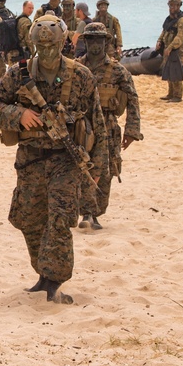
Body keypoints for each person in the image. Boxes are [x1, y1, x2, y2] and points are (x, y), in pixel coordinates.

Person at [0, 15, 107, 304]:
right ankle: (42, 274)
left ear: (64, 42)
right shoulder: (18, 74)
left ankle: (54, 280)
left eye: (53, 45)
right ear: (34, 45)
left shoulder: (81, 76)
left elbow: (97, 123)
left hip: (66, 160)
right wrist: (19, 115)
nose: (48, 51)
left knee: (60, 219)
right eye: (43, 46)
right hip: (30, 159)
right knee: (28, 219)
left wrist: (98, 167)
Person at [75, 23, 143, 229]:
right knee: (80, 166)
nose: (96, 44)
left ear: (106, 42)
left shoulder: (118, 71)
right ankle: (86, 211)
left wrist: (132, 130)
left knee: (106, 169)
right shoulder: (76, 67)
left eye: (99, 40)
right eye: (91, 40)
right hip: (82, 126)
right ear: (86, 42)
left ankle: (94, 212)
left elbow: (133, 99)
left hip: (108, 126)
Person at [156, 0, 183, 102]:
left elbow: (180, 37)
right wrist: (159, 41)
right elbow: (164, 31)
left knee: (176, 73)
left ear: (179, 6)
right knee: (169, 72)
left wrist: (170, 47)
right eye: (171, 5)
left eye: (174, 5)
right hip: (167, 50)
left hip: (177, 51)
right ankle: (170, 94)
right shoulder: (169, 19)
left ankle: (178, 96)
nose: (172, 8)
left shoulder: (182, 21)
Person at [6, 0, 35, 64]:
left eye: (32, 8)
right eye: (29, 8)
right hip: (20, 52)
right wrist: (33, 53)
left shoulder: (18, 19)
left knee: (12, 72)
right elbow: (29, 39)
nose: (31, 10)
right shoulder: (26, 21)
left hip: (12, 51)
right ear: (23, 7)